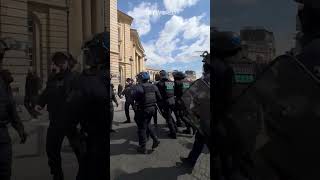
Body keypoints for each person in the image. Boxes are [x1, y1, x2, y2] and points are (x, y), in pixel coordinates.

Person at [68, 32, 109, 180]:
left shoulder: (85, 81)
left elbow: (70, 115)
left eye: (91, 50)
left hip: (93, 145)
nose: (88, 55)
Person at [35, 52, 82, 180]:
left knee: (80, 151)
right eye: (56, 61)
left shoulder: (74, 77)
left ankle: (84, 173)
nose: (58, 64)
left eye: (61, 61)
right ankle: (57, 175)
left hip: (71, 122)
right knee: (51, 150)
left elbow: (78, 97)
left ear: (67, 63)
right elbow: (47, 91)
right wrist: (40, 103)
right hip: (55, 121)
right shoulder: (53, 78)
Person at [0, 69, 28, 180]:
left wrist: (21, 130)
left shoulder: (4, 82)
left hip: (2, 134)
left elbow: (12, 110)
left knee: (4, 169)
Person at [131, 72, 161, 154]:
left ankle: (143, 147)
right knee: (147, 124)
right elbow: (159, 97)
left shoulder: (139, 87)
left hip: (143, 109)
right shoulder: (154, 86)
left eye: (138, 78)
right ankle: (155, 139)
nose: (137, 79)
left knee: (141, 128)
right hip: (152, 109)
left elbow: (133, 97)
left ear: (140, 78)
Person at [156, 70, 177, 139]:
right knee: (169, 116)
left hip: (165, 102)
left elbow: (158, 94)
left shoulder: (159, 84)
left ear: (161, 75)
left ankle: (173, 133)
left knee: (168, 118)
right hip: (172, 101)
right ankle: (175, 128)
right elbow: (171, 92)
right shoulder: (170, 82)